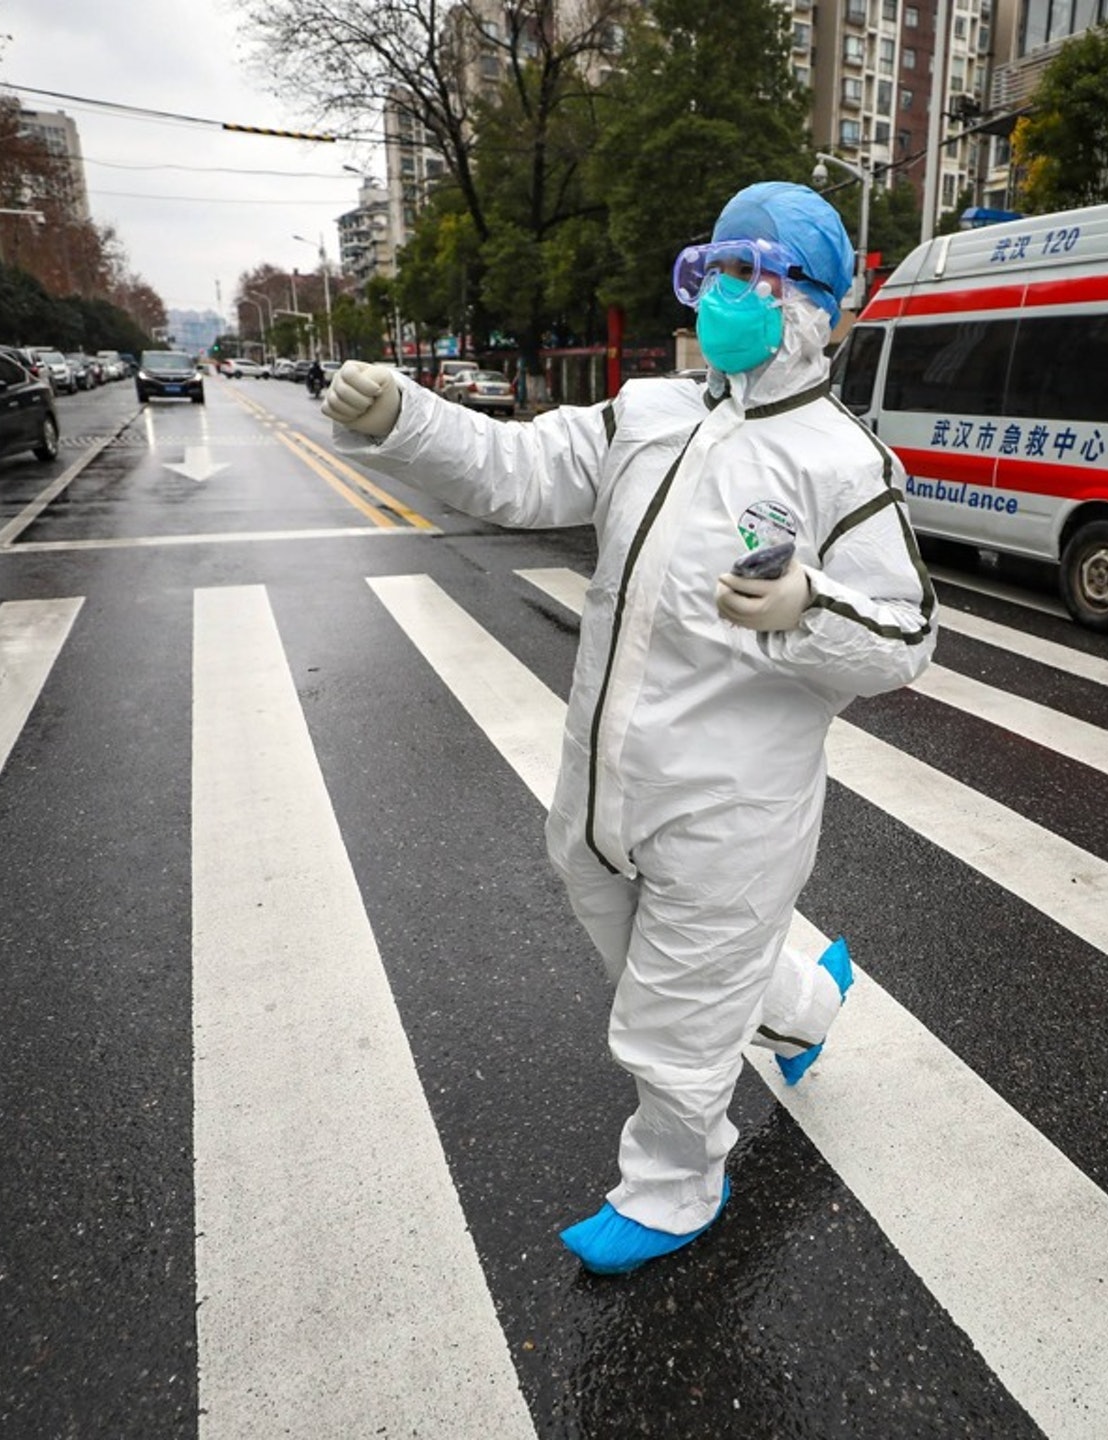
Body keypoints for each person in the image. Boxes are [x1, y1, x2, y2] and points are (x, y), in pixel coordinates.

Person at [320, 182, 937, 1272]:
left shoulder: (845, 467)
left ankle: (673, 1188)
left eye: (761, 276)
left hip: (732, 810)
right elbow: (519, 469)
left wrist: (812, 608)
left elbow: (906, 640)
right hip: (603, 786)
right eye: (718, 269)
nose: (731, 297)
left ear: (821, 309)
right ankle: (799, 1004)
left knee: (673, 1015)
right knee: (643, 952)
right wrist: (405, 420)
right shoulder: (649, 413)